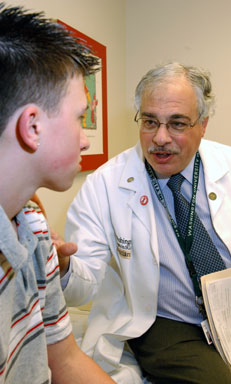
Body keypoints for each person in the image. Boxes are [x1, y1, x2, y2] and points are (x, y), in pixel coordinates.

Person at [61, 62, 231, 383]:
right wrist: (63, 266)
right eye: (150, 121)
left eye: (177, 123)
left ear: (203, 124)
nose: (160, 138)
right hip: (168, 321)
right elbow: (82, 286)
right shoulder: (105, 184)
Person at [0, 3, 115, 383]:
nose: (85, 139)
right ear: (32, 126)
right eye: (80, 118)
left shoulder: (33, 228)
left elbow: (65, 359)